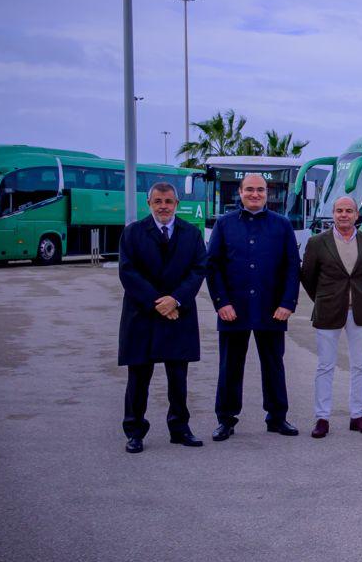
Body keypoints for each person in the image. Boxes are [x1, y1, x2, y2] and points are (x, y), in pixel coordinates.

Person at [207, 173, 301, 440]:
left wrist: (287, 304)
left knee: (273, 365)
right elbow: (212, 268)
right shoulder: (224, 224)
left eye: (260, 190)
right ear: (240, 192)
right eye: (250, 189)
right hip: (232, 310)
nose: (255, 194)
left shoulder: (281, 225)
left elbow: (292, 268)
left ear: (267, 192)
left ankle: (277, 417)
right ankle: (226, 419)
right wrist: (221, 303)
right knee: (230, 367)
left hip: (272, 309)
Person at [117, 183, 207, 453]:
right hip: (142, 315)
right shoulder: (132, 233)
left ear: (177, 204)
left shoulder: (191, 234)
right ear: (149, 204)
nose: (163, 206)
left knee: (178, 378)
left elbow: (198, 269)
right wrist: (159, 302)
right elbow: (128, 272)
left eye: (168, 201)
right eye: (158, 201)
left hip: (178, 315)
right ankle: (134, 431)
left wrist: (176, 299)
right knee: (138, 379)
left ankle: (179, 428)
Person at [299, 196, 362, 438]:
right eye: (339, 211)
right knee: (325, 366)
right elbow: (308, 277)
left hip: (359, 313)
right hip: (328, 311)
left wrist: (354, 298)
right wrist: (325, 299)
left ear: (357, 214)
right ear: (332, 214)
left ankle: (357, 415)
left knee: (360, 365)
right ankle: (322, 417)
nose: (343, 215)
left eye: (348, 211)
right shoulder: (317, 242)